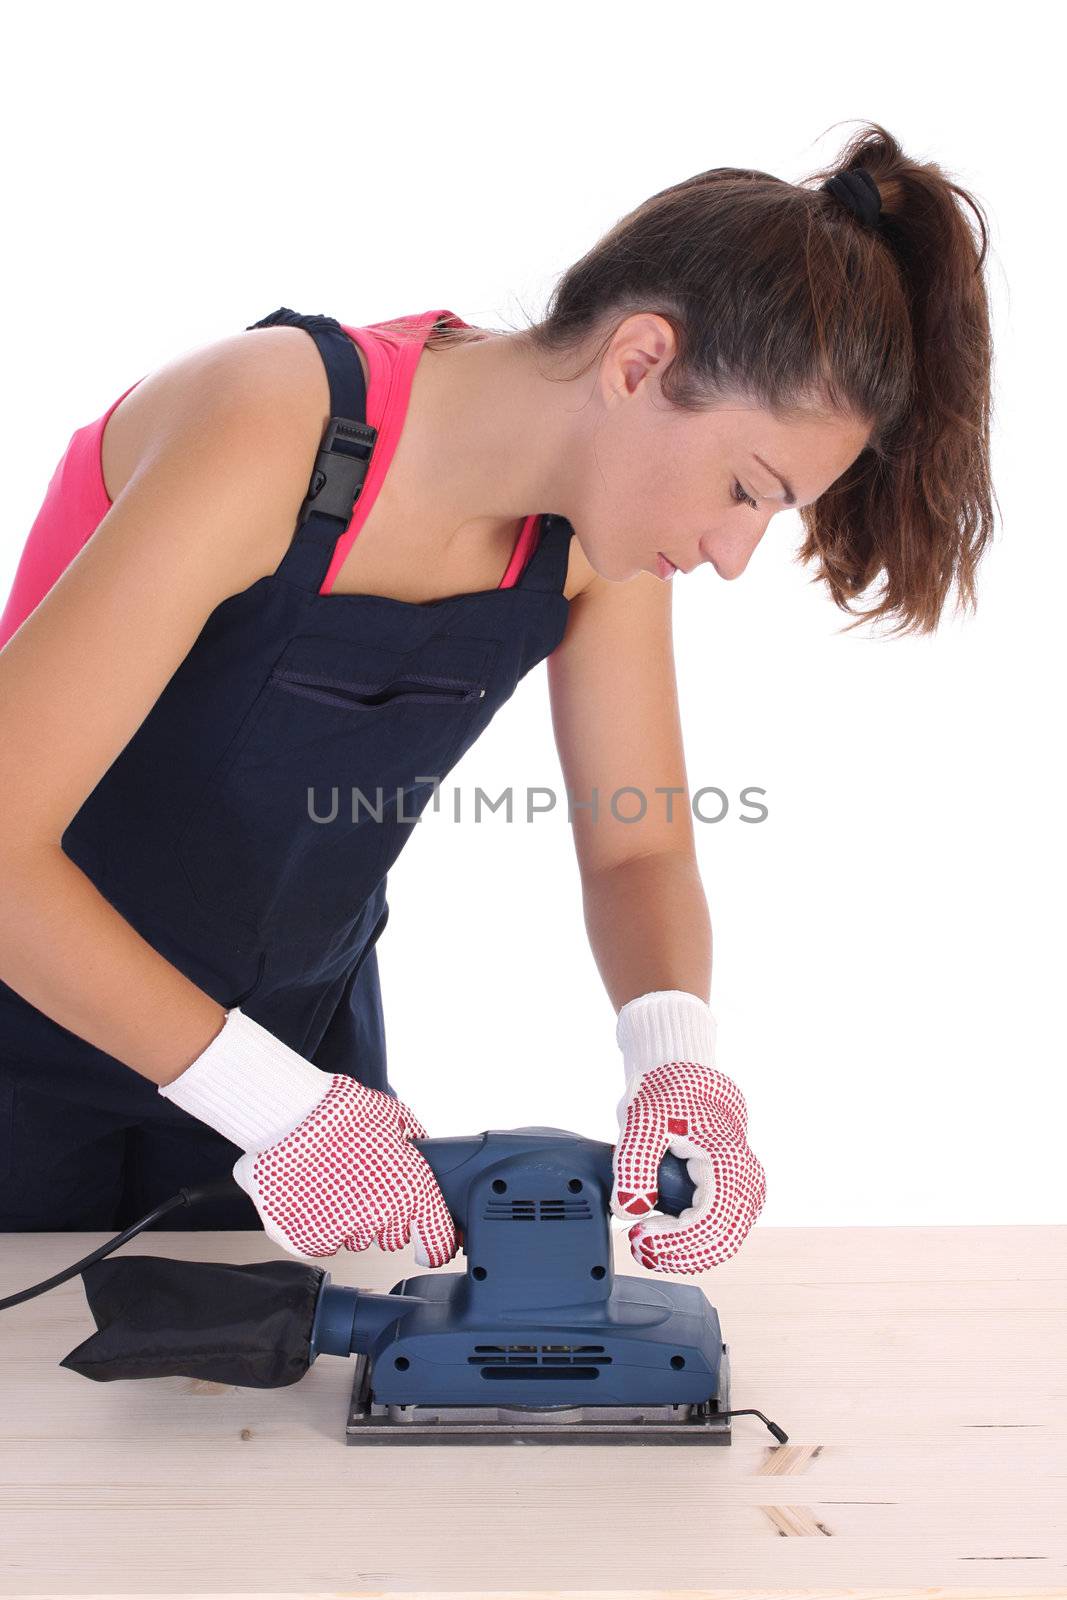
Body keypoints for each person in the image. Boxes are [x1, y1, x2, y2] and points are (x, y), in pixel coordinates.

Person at [0, 121, 995, 1276]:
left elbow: (638, 851)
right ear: (638, 362)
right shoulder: (269, 427)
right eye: (745, 488)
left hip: (296, 1064)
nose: (731, 552)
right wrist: (275, 1108)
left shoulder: (589, 546)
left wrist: (675, 1056)